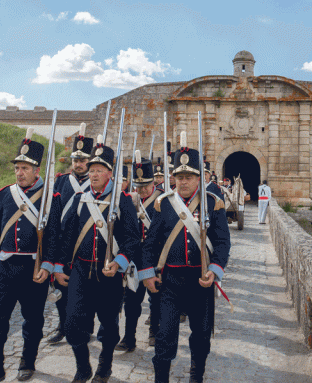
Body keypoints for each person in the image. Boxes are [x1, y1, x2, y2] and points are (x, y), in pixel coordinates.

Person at [139, 134, 231, 383]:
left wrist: (215, 269)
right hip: (170, 281)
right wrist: (147, 273)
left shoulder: (213, 203)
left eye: (189, 177)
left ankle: (196, 375)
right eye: (179, 177)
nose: (184, 182)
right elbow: (150, 243)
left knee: (201, 335)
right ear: (173, 179)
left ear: (199, 178)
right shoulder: (163, 204)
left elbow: (222, 242)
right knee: (165, 334)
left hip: (200, 281)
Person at [0, 129, 62, 383]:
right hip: (4, 265)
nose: (19, 172)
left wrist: (47, 265)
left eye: (25, 168)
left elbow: (54, 235)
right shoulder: (6, 194)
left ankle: (28, 361)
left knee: (33, 319)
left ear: (37, 171)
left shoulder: (50, 197)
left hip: (33, 268)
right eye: (17, 167)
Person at [54, 136, 140, 383]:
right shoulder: (81, 199)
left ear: (109, 173)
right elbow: (67, 235)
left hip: (108, 274)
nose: (93, 174)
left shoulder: (122, 201)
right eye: (91, 170)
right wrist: (59, 265)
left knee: (109, 326)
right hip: (81, 270)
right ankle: (83, 367)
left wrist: (120, 262)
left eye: (99, 170)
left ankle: (105, 365)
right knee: (72, 324)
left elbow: (132, 239)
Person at [48, 125, 93, 344]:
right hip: (61, 244)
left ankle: (84, 325)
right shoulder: (61, 181)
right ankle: (63, 325)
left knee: (85, 290)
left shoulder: (95, 184)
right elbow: (53, 211)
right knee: (60, 289)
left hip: (84, 242)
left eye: (83, 160)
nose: (78, 164)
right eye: (76, 159)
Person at [115, 150, 163, 352]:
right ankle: (129, 337)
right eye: (139, 186)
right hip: (134, 258)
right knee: (132, 302)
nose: (142, 191)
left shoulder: (164, 200)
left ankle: (154, 331)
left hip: (155, 259)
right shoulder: (128, 200)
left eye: (146, 186)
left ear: (153, 183)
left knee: (156, 299)